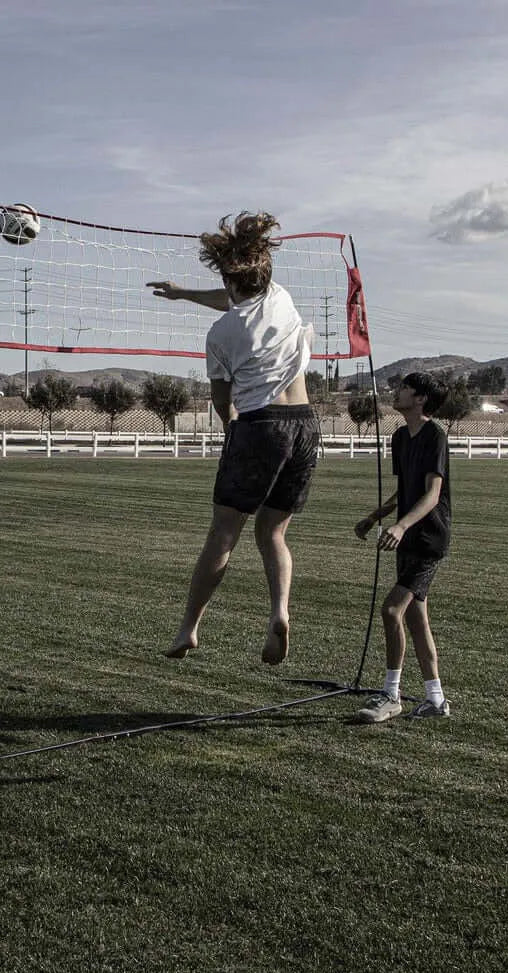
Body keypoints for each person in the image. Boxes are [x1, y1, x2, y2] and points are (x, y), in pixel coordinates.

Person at [147, 211, 318, 664]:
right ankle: (279, 611)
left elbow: (224, 405)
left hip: (260, 426)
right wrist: (185, 295)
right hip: (304, 423)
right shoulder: (282, 298)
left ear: (228, 276)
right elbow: (235, 297)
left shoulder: (221, 334)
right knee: (273, 533)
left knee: (223, 535)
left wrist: (232, 435)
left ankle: (189, 628)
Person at [353, 372, 451, 722]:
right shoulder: (399, 437)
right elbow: (406, 489)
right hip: (408, 537)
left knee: (392, 610)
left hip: (428, 539)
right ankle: (436, 700)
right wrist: (375, 516)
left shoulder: (434, 436)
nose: (398, 391)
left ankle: (390, 695)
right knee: (415, 617)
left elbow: (431, 494)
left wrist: (401, 525)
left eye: (406, 388)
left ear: (421, 398)